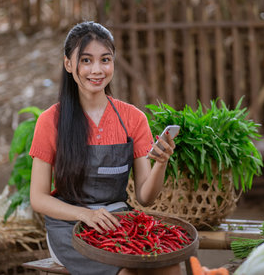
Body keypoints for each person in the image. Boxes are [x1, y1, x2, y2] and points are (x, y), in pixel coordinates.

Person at [29, 21, 180, 275]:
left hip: (118, 222)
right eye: (86, 60)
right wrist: (85, 215)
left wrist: (161, 163)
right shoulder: (51, 120)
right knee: (127, 273)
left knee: (171, 268)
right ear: (69, 64)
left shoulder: (133, 118)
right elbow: (38, 198)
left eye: (105, 60)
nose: (96, 70)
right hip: (69, 226)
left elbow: (145, 196)